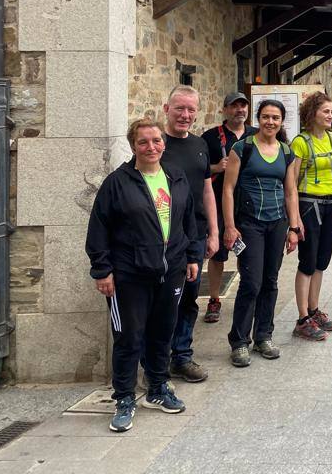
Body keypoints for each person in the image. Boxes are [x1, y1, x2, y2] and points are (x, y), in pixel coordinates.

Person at [86, 118, 201, 433]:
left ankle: (157, 388)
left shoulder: (176, 178)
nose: (151, 147)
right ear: (133, 145)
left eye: (156, 141)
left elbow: (189, 221)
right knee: (129, 338)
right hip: (129, 275)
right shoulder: (118, 183)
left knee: (162, 332)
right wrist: (102, 270)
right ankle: (124, 397)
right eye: (143, 142)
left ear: (163, 143)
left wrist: (192, 256)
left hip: (171, 270)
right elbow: (99, 229)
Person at [222, 99, 301, 366]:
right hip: (249, 223)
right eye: (266, 117)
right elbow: (228, 189)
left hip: (277, 223)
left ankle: (264, 335)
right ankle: (240, 341)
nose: (270, 122)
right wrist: (230, 226)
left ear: (281, 122)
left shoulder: (286, 151)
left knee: (270, 281)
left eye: (276, 118)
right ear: (258, 119)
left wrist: (294, 227)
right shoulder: (242, 148)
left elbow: (290, 192)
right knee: (251, 282)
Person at [161, 85, 218, 383]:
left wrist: (214, 231)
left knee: (190, 297)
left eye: (190, 110)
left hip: (195, 234)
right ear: (165, 108)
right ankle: (157, 359)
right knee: (162, 299)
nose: (185, 115)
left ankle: (182, 356)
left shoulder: (199, 145)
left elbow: (207, 188)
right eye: (179, 108)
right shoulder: (157, 146)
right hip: (164, 237)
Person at [289, 92, 332, 341]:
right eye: (326, 111)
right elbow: (291, 182)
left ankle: (314, 310)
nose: (330, 116)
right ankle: (302, 318)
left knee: (321, 261)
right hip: (308, 204)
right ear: (312, 113)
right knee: (307, 261)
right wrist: (295, 219)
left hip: (331, 204)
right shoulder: (300, 142)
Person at [200, 92, 256, 324]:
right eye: (234, 106)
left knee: (249, 254)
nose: (239, 110)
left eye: (243, 106)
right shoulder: (211, 137)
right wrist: (216, 167)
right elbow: (199, 169)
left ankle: (248, 296)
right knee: (217, 254)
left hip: (249, 204)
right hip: (220, 204)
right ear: (224, 110)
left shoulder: (256, 135)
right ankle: (214, 298)